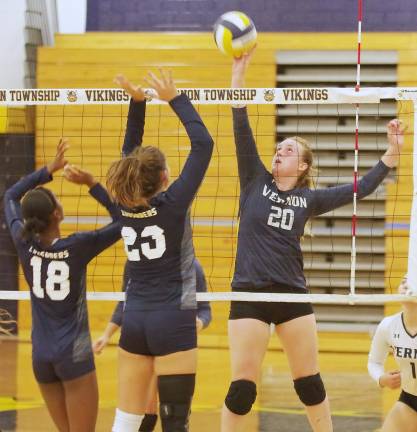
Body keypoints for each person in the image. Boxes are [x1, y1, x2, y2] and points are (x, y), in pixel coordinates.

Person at [221, 47, 404, 432]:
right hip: (249, 294)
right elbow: (240, 121)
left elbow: (362, 187)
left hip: (291, 294)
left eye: (288, 150)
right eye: (279, 148)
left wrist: (392, 151)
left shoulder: (309, 198)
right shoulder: (254, 179)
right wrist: (239, 74)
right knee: (241, 390)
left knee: (309, 383)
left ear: (302, 166)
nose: (279, 151)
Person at [106, 69, 214, 432]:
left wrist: (138, 104)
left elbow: (128, 155)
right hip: (173, 320)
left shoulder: (122, 203)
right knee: (174, 424)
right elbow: (204, 145)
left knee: (127, 421)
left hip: (134, 320)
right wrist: (175, 99)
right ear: (166, 177)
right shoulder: (173, 204)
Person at [3, 138, 121, 432]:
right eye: (56, 199)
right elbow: (124, 222)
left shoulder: (23, 241)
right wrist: (92, 184)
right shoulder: (78, 246)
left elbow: (9, 196)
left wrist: (47, 170)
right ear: (56, 214)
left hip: (41, 356)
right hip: (74, 355)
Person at [93, 260, 212, 432]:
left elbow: (205, 309)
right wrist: (106, 334)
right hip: (142, 340)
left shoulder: (192, 266)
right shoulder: (136, 259)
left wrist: (200, 322)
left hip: (173, 340)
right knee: (145, 415)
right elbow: (124, 303)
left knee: (173, 415)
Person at [368, 276, 417, 432]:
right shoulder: (388, 325)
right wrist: (381, 379)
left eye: (411, 282)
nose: (405, 285)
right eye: (403, 281)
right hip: (409, 400)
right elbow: (374, 362)